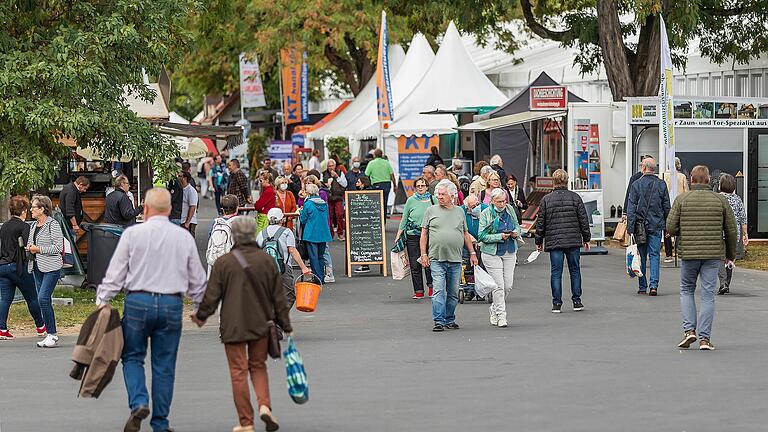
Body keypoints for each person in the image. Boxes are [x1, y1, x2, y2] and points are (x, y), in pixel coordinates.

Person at [96, 188, 207, 432]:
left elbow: (116, 273)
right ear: (169, 210)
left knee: (132, 357)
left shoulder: (132, 234)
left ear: (144, 209)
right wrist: (200, 310)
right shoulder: (183, 237)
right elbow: (197, 279)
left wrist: (103, 300)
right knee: (164, 365)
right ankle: (160, 423)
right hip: (171, 304)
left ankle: (138, 402)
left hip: (138, 302)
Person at [193, 216, 291, 432]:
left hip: (233, 324)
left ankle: (246, 422)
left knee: (238, 372)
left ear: (234, 236)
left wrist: (201, 317)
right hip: (261, 323)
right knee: (258, 366)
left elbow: (212, 296)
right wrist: (285, 324)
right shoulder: (266, 261)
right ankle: (265, 406)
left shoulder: (224, 263)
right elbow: (278, 297)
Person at [666, 165, 737, 351]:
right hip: (713, 255)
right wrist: (730, 255)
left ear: (691, 180)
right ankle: (705, 339)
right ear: (709, 181)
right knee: (707, 295)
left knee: (687, 290)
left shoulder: (682, 199)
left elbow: (671, 228)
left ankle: (689, 330)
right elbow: (731, 230)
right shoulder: (720, 201)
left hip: (689, 253)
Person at [420, 180, 478, 332]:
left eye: (443, 194)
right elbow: (424, 234)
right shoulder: (430, 211)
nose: (439, 196)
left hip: (455, 259)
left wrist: (472, 253)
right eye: (438, 194)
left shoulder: (459, 211)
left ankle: (449, 319)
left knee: (453, 292)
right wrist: (423, 254)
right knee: (438, 290)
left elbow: (465, 233)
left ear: (452, 195)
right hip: (436, 258)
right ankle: (438, 321)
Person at [535, 169, 590, 313]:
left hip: (555, 241)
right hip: (572, 240)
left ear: (553, 181)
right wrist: (587, 238)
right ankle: (577, 301)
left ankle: (556, 303)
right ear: (567, 180)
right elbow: (583, 220)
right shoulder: (575, 197)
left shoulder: (546, 199)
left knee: (556, 272)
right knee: (575, 270)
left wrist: (538, 240)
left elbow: (541, 222)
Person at [0, 196, 46, 340]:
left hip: (2, 266)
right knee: (32, 297)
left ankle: (2, 329)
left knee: (5, 299)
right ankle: (40, 327)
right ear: (24, 211)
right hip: (18, 267)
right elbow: (27, 246)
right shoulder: (24, 226)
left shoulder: (4, 226)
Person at [626, 157, 670, 296]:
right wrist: (668, 226)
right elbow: (666, 207)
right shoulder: (662, 185)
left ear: (644, 168)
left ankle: (642, 286)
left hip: (640, 227)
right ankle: (654, 286)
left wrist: (630, 228)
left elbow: (631, 207)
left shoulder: (636, 185)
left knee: (641, 256)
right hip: (656, 225)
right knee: (655, 255)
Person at [478, 188, 520, 328]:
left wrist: (515, 233)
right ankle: (502, 316)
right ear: (492, 201)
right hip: (491, 252)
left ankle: (494, 308)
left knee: (508, 285)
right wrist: (499, 236)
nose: (502, 204)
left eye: (504, 201)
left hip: (509, 250)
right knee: (499, 286)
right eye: (499, 202)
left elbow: (517, 225)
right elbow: (482, 236)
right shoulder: (486, 213)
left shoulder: (509, 210)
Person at [24, 195, 63, 348]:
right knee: (43, 301)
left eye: (34, 207)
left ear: (42, 209)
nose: (31, 209)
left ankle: (52, 334)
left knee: (43, 298)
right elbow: (30, 243)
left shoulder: (52, 224)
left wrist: (38, 249)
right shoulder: (33, 225)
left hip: (52, 267)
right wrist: (29, 248)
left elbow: (58, 247)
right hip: (36, 266)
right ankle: (50, 334)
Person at [257, 208, 312, 309]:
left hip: (265, 269)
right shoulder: (286, 232)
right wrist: (303, 267)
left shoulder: (261, 233)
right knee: (289, 296)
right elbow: (292, 250)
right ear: (282, 219)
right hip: (284, 268)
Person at [396, 177, 435, 298]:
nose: (420, 188)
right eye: (418, 186)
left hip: (430, 235)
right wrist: (399, 233)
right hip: (413, 234)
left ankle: (432, 287)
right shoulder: (411, 200)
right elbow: (405, 218)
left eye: (422, 186)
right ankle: (418, 291)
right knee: (414, 264)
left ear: (427, 187)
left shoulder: (433, 200)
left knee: (429, 262)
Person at [717, 173, 747, 295]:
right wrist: (745, 234)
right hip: (734, 233)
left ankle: (723, 282)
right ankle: (727, 283)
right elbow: (743, 219)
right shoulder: (738, 199)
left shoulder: (718, 198)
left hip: (720, 232)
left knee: (720, 258)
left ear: (720, 185)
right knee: (730, 258)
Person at [299, 183, 332, 284]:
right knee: (321, 256)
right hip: (323, 233)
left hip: (311, 233)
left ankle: (317, 278)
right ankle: (321, 277)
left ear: (308, 193)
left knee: (313, 257)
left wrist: (301, 212)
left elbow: (303, 219)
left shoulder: (308, 204)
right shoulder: (324, 203)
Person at [662, 157, 689, 262]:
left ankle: (668, 254)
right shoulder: (682, 177)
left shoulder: (663, 176)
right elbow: (686, 192)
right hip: (680, 206)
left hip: (667, 206)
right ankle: (678, 251)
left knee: (667, 229)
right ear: (678, 165)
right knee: (680, 228)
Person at [206, 194, 240, 275]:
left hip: (215, 259)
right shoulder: (239, 221)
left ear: (222, 209)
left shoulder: (216, 222)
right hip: (232, 261)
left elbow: (210, 239)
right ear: (237, 208)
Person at [364, 148, 395, 219]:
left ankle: (377, 221)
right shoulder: (386, 162)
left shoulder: (371, 163)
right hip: (386, 184)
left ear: (374, 155)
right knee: (384, 203)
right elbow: (392, 175)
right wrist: (395, 185)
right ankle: (383, 221)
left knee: (376, 203)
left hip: (376, 184)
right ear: (382, 155)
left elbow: (366, 175)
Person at [323, 158, 348, 241]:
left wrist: (337, 177)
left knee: (340, 215)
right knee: (329, 216)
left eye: (332, 166)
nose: (331, 168)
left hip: (338, 197)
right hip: (328, 197)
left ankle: (340, 233)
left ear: (335, 166)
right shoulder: (323, 174)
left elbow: (344, 184)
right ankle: (330, 234)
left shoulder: (340, 173)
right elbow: (320, 184)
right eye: (329, 166)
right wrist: (325, 185)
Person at [179, 171, 199, 237]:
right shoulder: (181, 189)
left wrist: (187, 223)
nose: (178, 178)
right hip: (182, 220)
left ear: (185, 178)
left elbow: (192, 207)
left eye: (180, 176)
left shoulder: (191, 191)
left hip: (189, 222)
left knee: (189, 242)